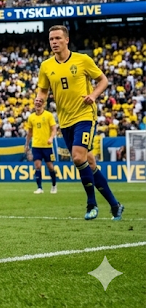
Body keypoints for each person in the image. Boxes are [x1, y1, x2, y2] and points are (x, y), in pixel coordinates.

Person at [36, 25, 123, 221]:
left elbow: (103, 81)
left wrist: (93, 95)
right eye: (51, 39)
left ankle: (91, 204)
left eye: (58, 38)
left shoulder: (83, 60)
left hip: (85, 116)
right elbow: (43, 90)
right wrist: (40, 99)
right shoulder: (46, 66)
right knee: (89, 162)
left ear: (67, 40)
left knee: (77, 157)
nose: (54, 42)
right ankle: (115, 205)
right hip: (65, 120)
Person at [24, 97, 58, 194]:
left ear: (43, 104)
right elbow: (29, 132)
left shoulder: (48, 115)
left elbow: (54, 129)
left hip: (47, 146)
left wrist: (51, 138)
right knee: (37, 166)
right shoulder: (31, 117)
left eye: (40, 101)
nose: (38, 103)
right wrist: (26, 144)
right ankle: (39, 188)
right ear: (34, 103)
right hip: (36, 145)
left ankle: (54, 185)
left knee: (50, 167)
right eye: (36, 101)